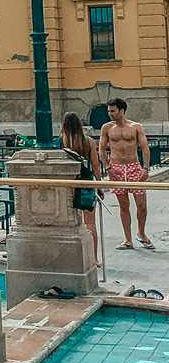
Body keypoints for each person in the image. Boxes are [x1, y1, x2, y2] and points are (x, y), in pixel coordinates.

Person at [100, 97, 154, 250]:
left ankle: (141, 234)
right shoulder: (107, 128)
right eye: (109, 111)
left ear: (121, 110)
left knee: (142, 205)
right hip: (116, 168)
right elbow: (102, 148)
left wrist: (145, 168)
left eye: (113, 111)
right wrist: (108, 168)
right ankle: (127, 239)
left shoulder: (136, 127)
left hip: (134, 167)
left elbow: (144, 147)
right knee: (124, 206)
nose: (110, 114)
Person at [62, 112, 102, 262]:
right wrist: (99, 186)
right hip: (86, 183)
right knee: (90, 223)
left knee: (69, 224)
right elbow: (96, 167)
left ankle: (73, 259)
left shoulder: (61, 142)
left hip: (67, 184)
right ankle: (94, 258)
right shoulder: (89, 142)